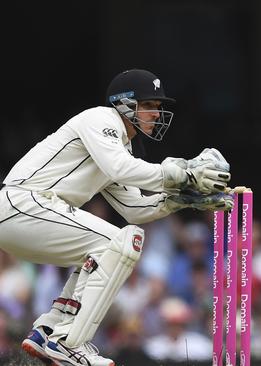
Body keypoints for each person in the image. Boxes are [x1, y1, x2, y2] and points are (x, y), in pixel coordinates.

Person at [0, 69, 234, 366]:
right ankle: (69, 342)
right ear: (124, 104)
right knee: (120, 241)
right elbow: (122, 169)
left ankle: (49, 329)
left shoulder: (117, 146)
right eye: (149, 105)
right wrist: (184, 172)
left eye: (158, 107)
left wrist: (183, 200)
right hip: (22, 204)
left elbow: (134, 208)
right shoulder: (100, 119)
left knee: (111, 244)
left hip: (31, 215)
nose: (156, 113)